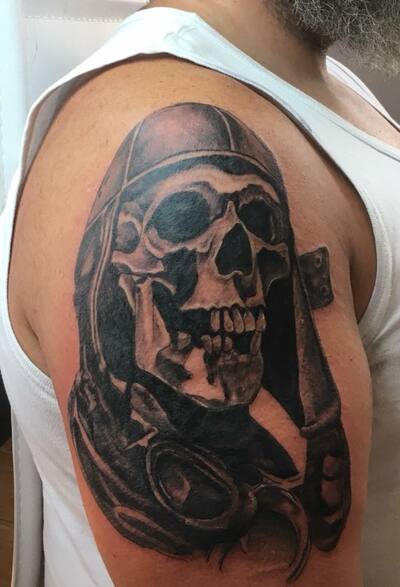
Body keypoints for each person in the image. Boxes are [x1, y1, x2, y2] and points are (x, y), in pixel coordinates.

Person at [0, 1, 399, 585]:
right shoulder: (156, 107)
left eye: (259, 221)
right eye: (186, 217)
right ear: (124, 251)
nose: (237, 260)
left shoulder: (314, 81)